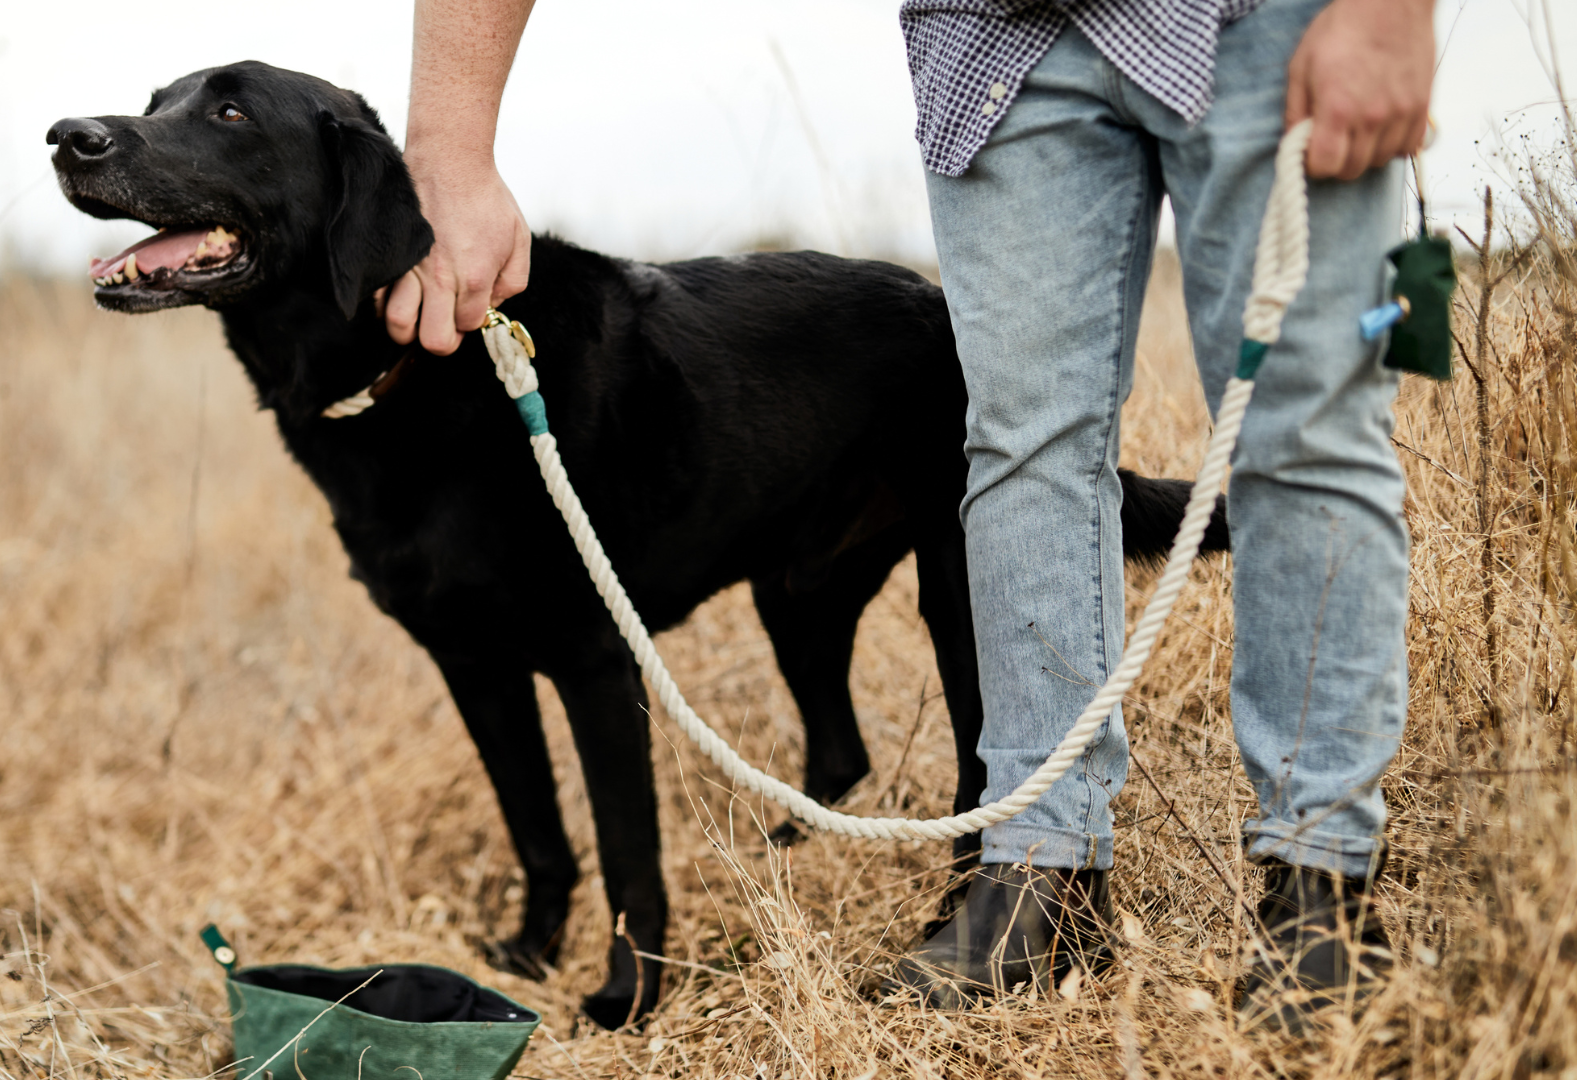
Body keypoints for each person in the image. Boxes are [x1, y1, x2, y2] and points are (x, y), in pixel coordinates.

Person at [386, 0, 1432, 1029]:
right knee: (1020, 452)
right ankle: (1041, 877)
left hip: (1263, 19)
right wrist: (450, 143)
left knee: (1304, 440)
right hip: (991, 42)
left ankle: (1322, 889)